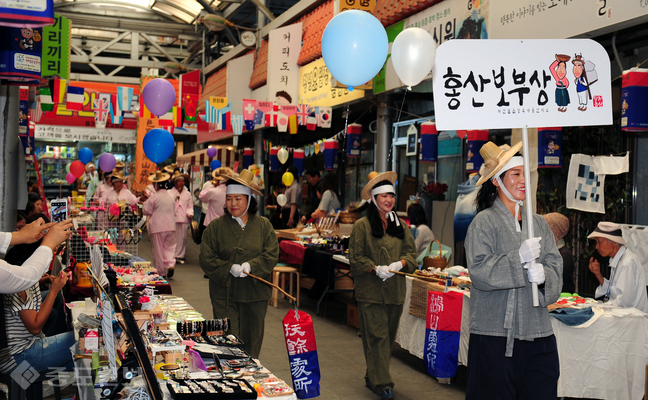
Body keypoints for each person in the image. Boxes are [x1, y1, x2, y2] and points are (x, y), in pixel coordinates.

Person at [465, 141, 562, 400]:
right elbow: (479, 271)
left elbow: (555, 267)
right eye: (515, 174)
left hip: (538, 332)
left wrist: (544, 280)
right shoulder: (483, 223)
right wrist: (518, 259)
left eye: (525, 174)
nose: (523, 181)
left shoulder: (539, 224)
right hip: (495, 336)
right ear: (496, 181)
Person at [348, 171, 418, 400]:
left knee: (386, 340)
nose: (389, 200)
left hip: (395, 293)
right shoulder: (362, 226)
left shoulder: (402, 227)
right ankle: (383, 384)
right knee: (376, 337)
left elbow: (412, 255)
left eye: (392, 196)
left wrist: (401, 263)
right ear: (374, 199)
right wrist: (374, 268)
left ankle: (372, 376)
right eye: (384, 196)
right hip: (371, 292)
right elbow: (355, 256)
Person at [199, 169, 279, 359]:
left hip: (255, 294)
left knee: (253, 338)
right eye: (229, 199)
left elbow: (272, 253)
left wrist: (252, 266)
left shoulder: (264, 225)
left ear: (249, 200)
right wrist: (229, 268)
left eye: (238, 199)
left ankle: (250, 375)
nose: (233, 204)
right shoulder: (215, 227)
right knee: (228, 339)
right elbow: (206, 258)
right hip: (224, 294)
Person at [0, 267, 73, 374]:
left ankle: (38, 388)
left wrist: (45, 281)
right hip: (18, 358)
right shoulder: (19, 285)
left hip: (20, 351)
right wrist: (53, 291)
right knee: (83, 340)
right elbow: (35, 327)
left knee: (79, 357)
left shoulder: (23, 278)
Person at [588, 221, 648, 312]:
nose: (597, 246)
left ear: (612, 242)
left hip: (631, 319)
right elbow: (614, 290)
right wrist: (598, 275)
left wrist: (598, 307)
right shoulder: (618, 258)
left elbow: (624, 302)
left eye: (599, 242)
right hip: (622, 314)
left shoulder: (627, 263)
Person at [142, 171, 177, 278]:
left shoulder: (154, 197)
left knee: (158, 250)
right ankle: (170, 264)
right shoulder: (171, 196)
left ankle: (161, 272)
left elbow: (146, 211)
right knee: (170, 247)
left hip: (157, 226)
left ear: (157, 185)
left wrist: (144, 202)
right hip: (171, 225)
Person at [544, 212, 575, 294]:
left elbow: (553, 280)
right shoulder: (548, 250)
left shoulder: (564, 255)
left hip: (563, 298)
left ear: (554, 231)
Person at [170, 171, 193, 264]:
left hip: (183, 218)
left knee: (182, 238)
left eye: (182, 181)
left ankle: (180, 256)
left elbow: (190, 206)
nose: (181, 183)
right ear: (175, 183)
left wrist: (190, 213)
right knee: (173, 238)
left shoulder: (187, 194)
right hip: (173, 218)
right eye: (178, 181)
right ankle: (172, 255)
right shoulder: (170, 193)